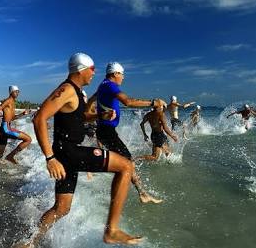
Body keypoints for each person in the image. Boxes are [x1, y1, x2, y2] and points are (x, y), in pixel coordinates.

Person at [19, 53, 141, 247]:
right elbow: (39, 118)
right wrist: (50, 158)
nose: (94, 74)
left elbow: (78, 118)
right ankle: (112, 231)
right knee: (126, 166)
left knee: (62, 208)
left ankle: (29, 242)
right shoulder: (67, 89)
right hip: (68, 152)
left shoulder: (75, 92)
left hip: (67, 153)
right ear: (81, 69)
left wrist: (100, 116)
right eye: (92, 70)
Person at [94, 61, 164, 203]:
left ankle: (131, 193)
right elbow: (128, 102)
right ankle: (139, 194)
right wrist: (153, 102)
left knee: (124, 162)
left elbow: (91, 100)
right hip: (107, 131)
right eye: (122, 74)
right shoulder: (110, 85)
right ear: (115, 74)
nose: (123, 77)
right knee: (127, 162)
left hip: (104, 130)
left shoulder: (102, 85)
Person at [0, 85, 32, 178]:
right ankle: (10, 156)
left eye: (18, 91)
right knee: (28, 139)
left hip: (6, 128)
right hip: (6, 128)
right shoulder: (8, 101)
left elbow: (12, 118)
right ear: (11, 92)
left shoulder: (13, 103)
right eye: (16, 91)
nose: (18, 93)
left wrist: (22, 114)